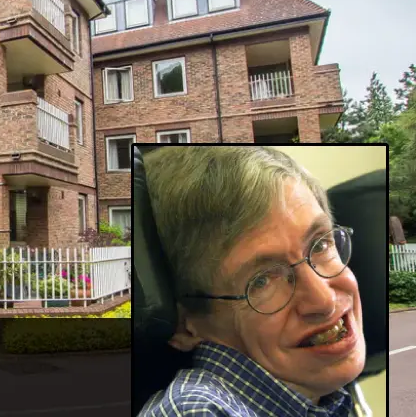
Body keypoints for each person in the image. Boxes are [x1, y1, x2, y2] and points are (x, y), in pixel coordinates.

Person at [138, 146, 369, 416]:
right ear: (184, 327)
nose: (324, 300)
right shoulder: (197, 410)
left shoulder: (323, 398)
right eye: (262, 281)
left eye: (320, 245)